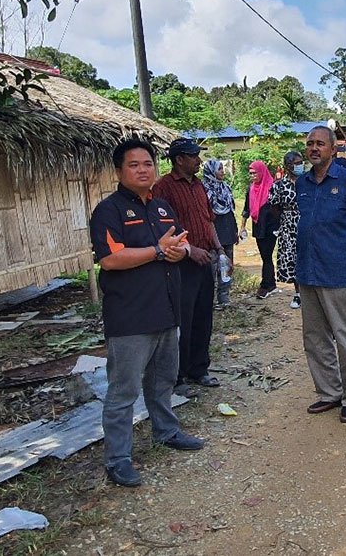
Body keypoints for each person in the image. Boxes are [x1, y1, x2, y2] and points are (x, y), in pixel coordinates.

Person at [89, 139, 205, 488]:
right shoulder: (108, 211)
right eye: (134, 164)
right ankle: (118, 459)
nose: (143, 169)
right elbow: (110, 259)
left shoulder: (162, 207)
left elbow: (179, 243)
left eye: (147, 163)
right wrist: (157, 251)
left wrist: (180, 252)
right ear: (119, 171)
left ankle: (166, 431)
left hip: (167, 311)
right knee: (123, 391)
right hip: (130, 317)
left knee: (162, 381)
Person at [295, 126, 346, 424]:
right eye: (310, 143)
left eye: (320, 144)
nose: (314, 148)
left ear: (333, 149)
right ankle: (329, 393)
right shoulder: (302, 182)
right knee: (314, 338)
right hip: (307, 271)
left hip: (338, 271)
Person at [153, 138, 227, 389]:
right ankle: (178, 375)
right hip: (179, 264)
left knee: (203, 317)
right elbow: (161, 230)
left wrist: (219, 249)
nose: (199, 160)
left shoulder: (199, 186)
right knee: (182, 320)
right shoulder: (163, 188)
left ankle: (199, 369)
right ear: (179, 160)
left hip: (205, 260)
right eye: (193, 156)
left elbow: (208, 221)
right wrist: (189, 250)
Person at [268, 151, 303, 309]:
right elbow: (274, 206)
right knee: (292, 258)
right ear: (288, 166)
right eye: (296, 163)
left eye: (301, 162)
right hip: (289, 225)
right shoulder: (279, 185)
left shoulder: (308, 181)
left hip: (308, 222)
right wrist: (286, 218)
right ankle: (298, 293)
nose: (300, 166)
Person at [240, 161, 279, 299]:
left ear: (261, 172)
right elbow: (246, 209)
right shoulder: (250, 189)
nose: (252, 176)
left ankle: (265, 285)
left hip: (271, 227)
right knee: (264, 255)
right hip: (258, 226)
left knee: (267, 255)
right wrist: (242, 227)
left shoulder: (272, 188)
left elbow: (278, 209)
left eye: (254, 173)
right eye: (250, 173)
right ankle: (271, 283)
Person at [202, 159, 237, 308]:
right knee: (211, 267)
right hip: (212, 231)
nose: (222, 171)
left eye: (223, 168)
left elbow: (230, 210)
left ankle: (224, 298)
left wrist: (235, 231)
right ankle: (207, 299)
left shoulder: (226, 188)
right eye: (219, 169)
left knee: (226, 267)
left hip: (227, 230)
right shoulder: (203, 190)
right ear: (210, 171)